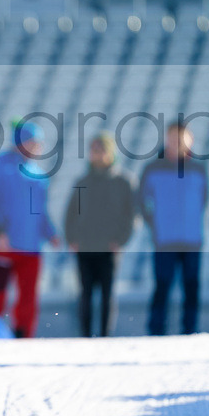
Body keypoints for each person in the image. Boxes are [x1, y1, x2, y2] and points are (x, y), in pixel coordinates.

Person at [0, 120, 60, 338]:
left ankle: (23, 338)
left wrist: (51, 234)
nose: (36, 147)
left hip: (30, 247)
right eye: (32, 142)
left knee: (28, 298)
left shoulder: (40, 176)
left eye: (38, 143)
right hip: (2, 245)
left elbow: (39, 211)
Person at [138, 123, 207, 336]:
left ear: (190, 140)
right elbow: (142, 201)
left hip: (192, 239)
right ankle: (156, 331)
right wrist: (156, 224)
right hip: (164, 239)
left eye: (181, 137)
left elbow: (204, 198)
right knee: (162, 285)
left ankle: (190, 330)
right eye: (172, 137)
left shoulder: (199, 168)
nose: (176, 142)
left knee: (191, 286)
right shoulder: (152, 168)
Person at [64, 132, 136, 337]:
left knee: (107, 295)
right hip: (85, 247)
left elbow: (131, 216)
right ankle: (85, 336)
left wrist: (121, 240)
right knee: (85, 294)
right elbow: (70, 214)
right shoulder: (82, 181)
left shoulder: (123, 182)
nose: (97, 154)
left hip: (108, 248)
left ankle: (105, 336)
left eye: (101, 149)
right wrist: (72, 239)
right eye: (94, 150)